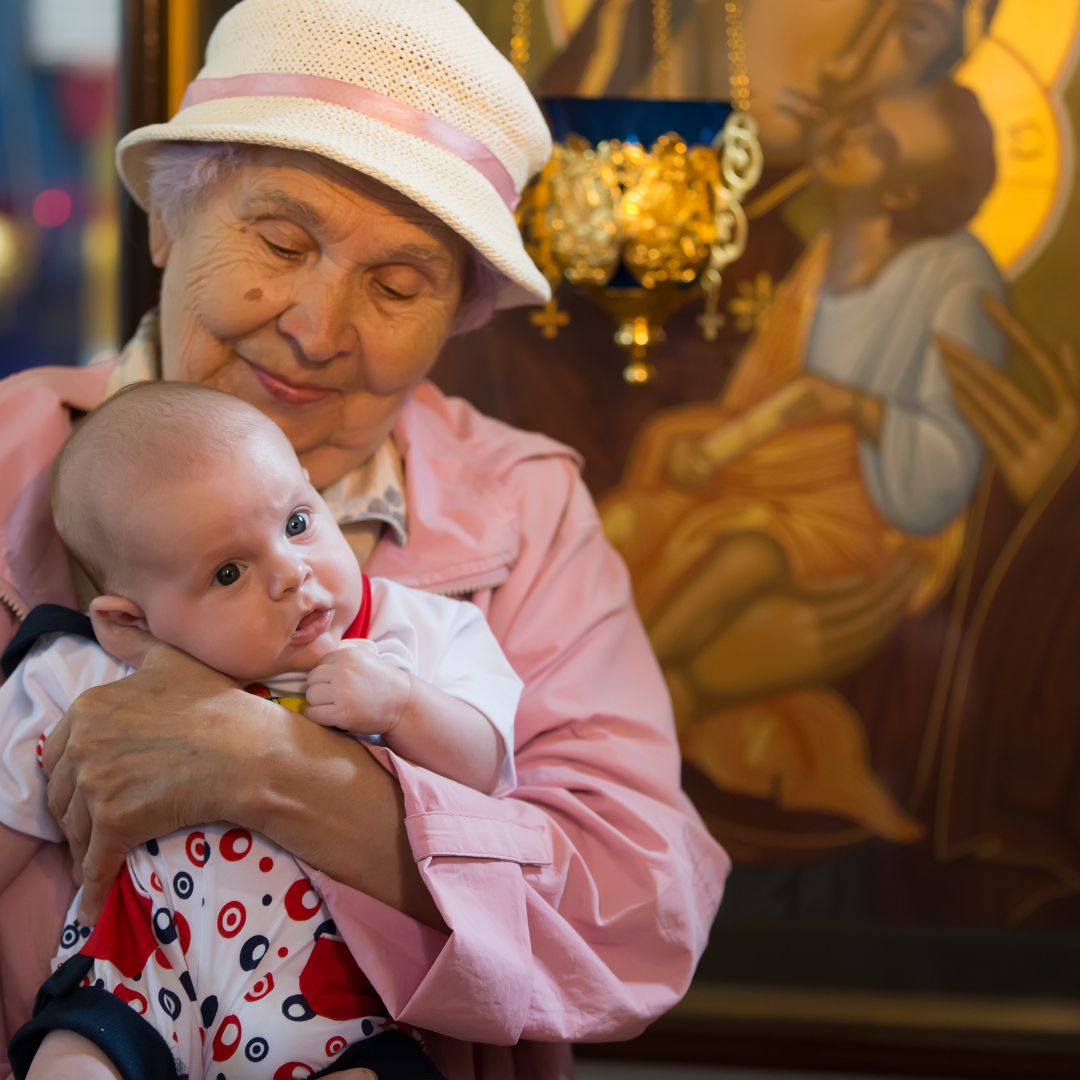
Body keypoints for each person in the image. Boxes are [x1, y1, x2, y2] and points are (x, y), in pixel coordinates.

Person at [0, 1, 728, 1077]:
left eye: (397, 285)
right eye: (281, 240)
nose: (317, 326)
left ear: (458, 314)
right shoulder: (10, 459)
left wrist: (273, 770)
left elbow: (638, 910)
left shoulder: (525, 515)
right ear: (166, 222)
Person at [6, 381, 525, 1079]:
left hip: (337, 1006)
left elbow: (486, 765)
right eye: (228, 572)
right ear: (130, 624)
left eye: (298, 522)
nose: (291, 572)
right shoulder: (82, 676)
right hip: (132, 986)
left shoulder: (415, 634)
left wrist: (403, 707)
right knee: (66, 1064)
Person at [599, 78, 1005, 839]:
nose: (850, 139)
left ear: (909, 188)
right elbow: (760, 401)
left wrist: (853, 406)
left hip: (871, 513)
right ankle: (630, 696)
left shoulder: (955, 277)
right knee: (625, 521)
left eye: (881, 143)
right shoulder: (825, 254)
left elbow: (950, 452)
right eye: (861, 120)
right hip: (771, 475)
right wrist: (703, 438)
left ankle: (615, 696)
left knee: (740, 551)